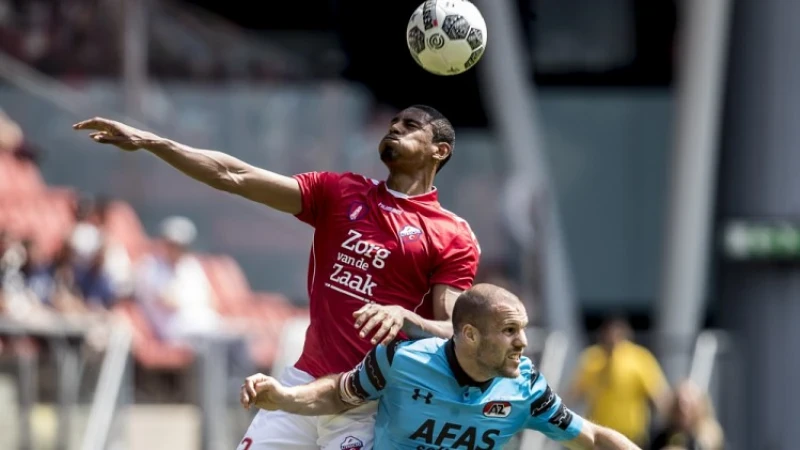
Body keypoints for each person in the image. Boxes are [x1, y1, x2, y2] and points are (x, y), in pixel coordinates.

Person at [73, 105, 481, 449]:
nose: (395, 127)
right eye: (394, 122)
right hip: (303, 386)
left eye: (410, 126)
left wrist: (405, 317)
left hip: (373, 403)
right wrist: (153, 143)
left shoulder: (451, 234)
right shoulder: (340, 192)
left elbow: (453, 329)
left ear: (438, 151)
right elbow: (234, 175)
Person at [240, 284, 642, 450]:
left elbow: (589, 433)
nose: (522, 342)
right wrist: (284, 397)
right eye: (508, 331)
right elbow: (337, 394)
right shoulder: (403, 359)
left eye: (522, 330)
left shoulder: (526, 388)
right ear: (468, 335)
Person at [567, 317, 671, 447]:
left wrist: (667, 427)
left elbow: (658, 395)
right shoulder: (592, 359)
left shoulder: (639, 358)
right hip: (599, 435)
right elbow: (573, 394)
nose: (612, 339)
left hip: (631, 436)